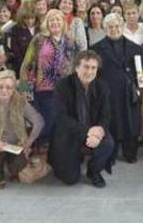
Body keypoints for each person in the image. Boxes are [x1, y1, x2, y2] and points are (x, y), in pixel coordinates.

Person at [49, 51, 114, 187]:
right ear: (76, 67)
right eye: (86, 67)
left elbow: (106, 115)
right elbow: (61, 118)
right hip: (69, 134)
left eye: (93, 68)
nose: (89, 72)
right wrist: (88, 131)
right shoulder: (62, 85)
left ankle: (94, 170)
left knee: (108, 143)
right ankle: (73, 159)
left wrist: (100, 131)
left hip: (93, 131)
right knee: (70, 179)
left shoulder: (103, 87)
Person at [91, 13, 143, 163]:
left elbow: (142, 71)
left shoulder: (136, 48)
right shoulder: (95, 50)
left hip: (130, 93)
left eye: (117, 26)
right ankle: (111, 153)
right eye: (110, 27)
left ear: (122, 27)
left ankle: (130, 152)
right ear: (104, 28)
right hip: (108, 93)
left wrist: (141, 89)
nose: (114, 29)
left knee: (131, 122)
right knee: (111, 122)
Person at [20, 9, 77, 144]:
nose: (55, 22)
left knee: (61, 123)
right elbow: (26, 65)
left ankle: (50, 152)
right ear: (47, 23)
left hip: (65, 89)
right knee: (49, 122)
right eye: (52, 20)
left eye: (58, 19)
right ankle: (27, 143)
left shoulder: (70, 41)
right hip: (44, 88)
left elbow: (75, 65)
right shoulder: (39, 39)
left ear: (63, 22)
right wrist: (24, 88)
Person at [8, 1, 38, 75]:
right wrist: (26, 67)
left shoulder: (41, 28)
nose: (30, 21)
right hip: (22, 68)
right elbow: (16, 52)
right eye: (26, 18)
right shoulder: (15, 29)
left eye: (32, 18)